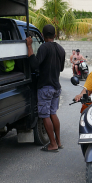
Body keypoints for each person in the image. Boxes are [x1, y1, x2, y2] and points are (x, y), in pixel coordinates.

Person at [26, 24, 65, 152]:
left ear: (42, 35)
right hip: (56, 87)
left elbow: (34, 65)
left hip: (45, 88)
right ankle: (58, 142)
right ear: (54, 35)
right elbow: (61, 68)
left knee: (45, 115)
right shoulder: (61, 49)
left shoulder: (44, 47)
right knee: (53, 113)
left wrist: (29, 46)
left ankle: (52, 144)